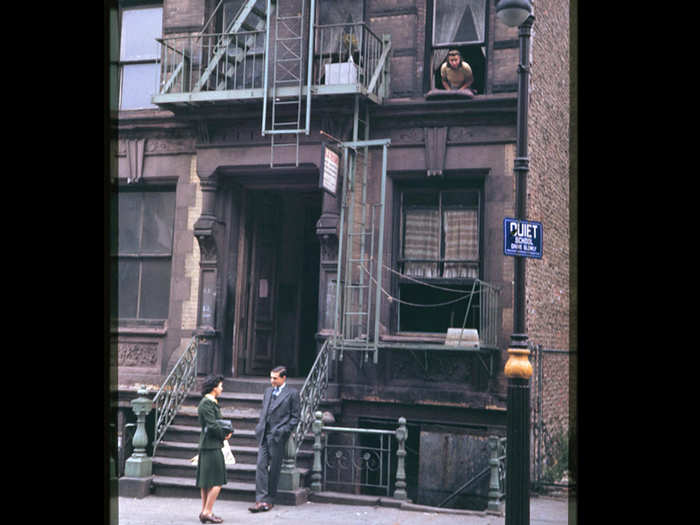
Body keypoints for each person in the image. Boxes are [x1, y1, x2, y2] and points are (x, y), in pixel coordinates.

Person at [249, 366, 300, 513]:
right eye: (271, 377)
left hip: (278, 436)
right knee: (260, 465)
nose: (272, 380)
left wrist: (283, 431)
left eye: (275, 378)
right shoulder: (268, 391)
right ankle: (260, 500)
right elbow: (264, 411)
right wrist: (260, 426)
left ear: (283, 378)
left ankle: (269, 501)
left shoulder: (292, 394)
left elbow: (295, 418)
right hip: (264, 434)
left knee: (274, 469)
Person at [196, 374, 233, 524]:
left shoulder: (210, 402)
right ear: (213, 387)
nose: (222, 388)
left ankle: (205, 511)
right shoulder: (207, 404)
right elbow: (212, 425)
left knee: (207, 481)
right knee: (217, 480)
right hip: (211, 445)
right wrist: (224, 435)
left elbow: (214, 423)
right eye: (220, 386)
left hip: (209, 444)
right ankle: (207, 511)